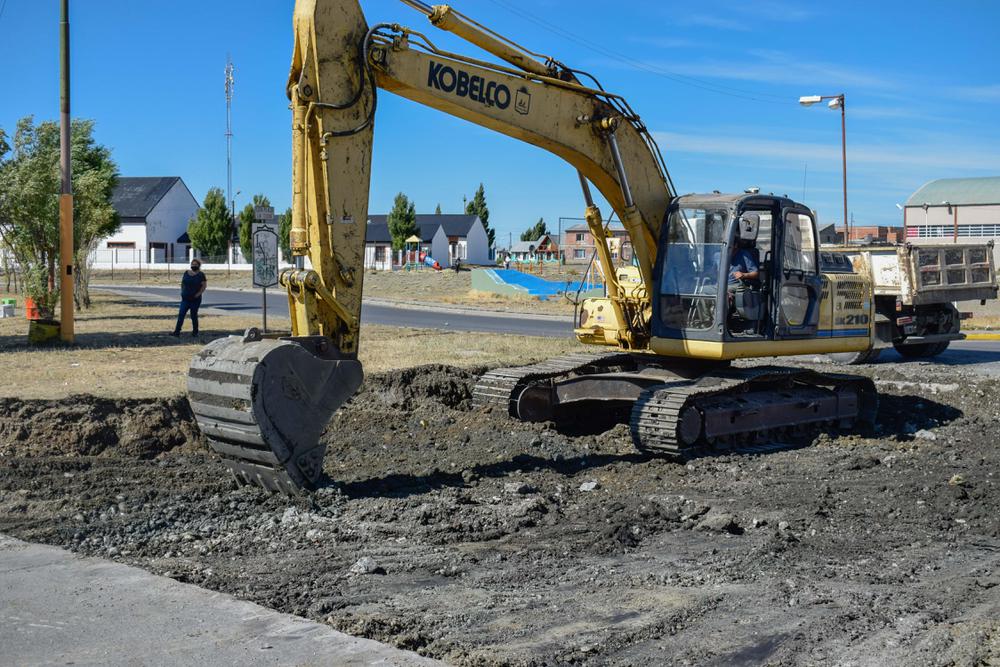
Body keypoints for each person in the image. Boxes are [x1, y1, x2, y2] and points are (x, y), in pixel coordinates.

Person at [171, 259, 206, 337]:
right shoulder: (186, 273)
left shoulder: (201, 275)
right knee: (181, 314)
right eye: (192, 264)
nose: (193, 266)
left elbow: (204, 286)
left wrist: (198, 294)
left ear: (199, 265)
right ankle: (177, 332)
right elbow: (183, 283)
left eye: (195, 264)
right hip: (185, 298)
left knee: (193, 315)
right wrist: (182, 291)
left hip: (195, 299)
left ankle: (195, 332)